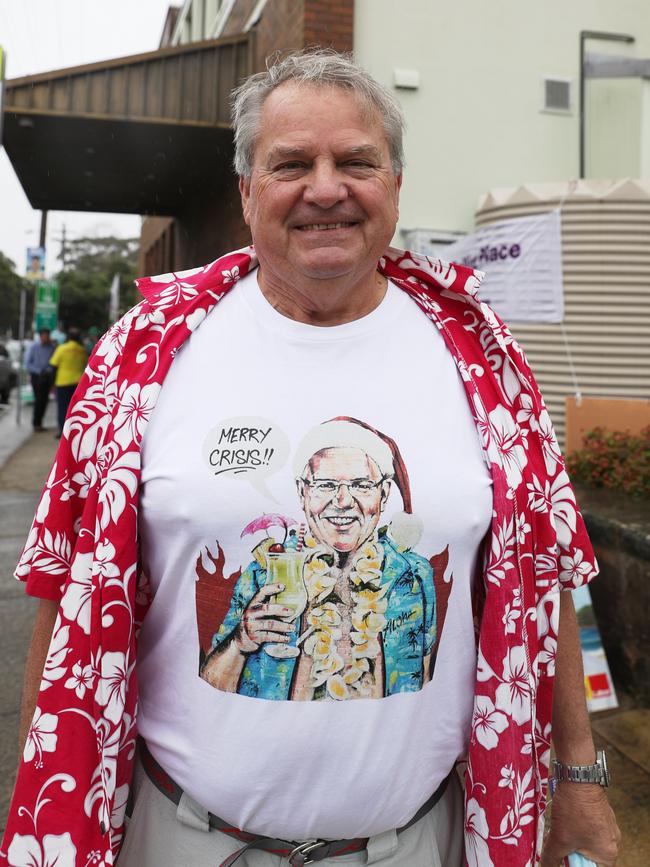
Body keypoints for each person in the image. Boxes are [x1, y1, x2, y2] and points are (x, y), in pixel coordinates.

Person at [3, 50, 620, 867]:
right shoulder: (143, 353)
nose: (325, 188)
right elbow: (63, 591)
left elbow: (549, 574)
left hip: (412, 843)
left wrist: (578, 779)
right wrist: (39, 790)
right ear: (248, 190)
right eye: (291, 163)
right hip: (183, 839)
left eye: (356, 161)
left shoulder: (483, 356)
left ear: (394, 184)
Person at [201, 418, 438, 701]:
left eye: (361, 485)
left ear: (384, 495)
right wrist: (241, 641)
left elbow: (426, 684)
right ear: (303, 493)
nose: (342, 501)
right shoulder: (265, 573)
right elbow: (209, 687)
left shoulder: (413, 576)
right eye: (325, 485)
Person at [47, 326, 87, 436]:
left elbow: (53, 366)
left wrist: (52, 384)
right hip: (78, 384)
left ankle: (62, 432)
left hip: (63, 382)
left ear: (68, 337)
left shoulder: (62, 348)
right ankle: (74, 432)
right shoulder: (82, 350)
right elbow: (85, 366)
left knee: (62, 408)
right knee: (75, 409)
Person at [23, 328, 55, 430]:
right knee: (39, 400)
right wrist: (38, 371)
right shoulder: (33, 347)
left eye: (47, 335)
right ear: (40, 336)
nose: (46, 338)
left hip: (47, 376)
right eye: (44, 335)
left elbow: (53, 362)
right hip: (37, 376)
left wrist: (48, 370)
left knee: (45, 400)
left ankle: (40, 422)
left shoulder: (51, 347)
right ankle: (36, 423)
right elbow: (27, 364)